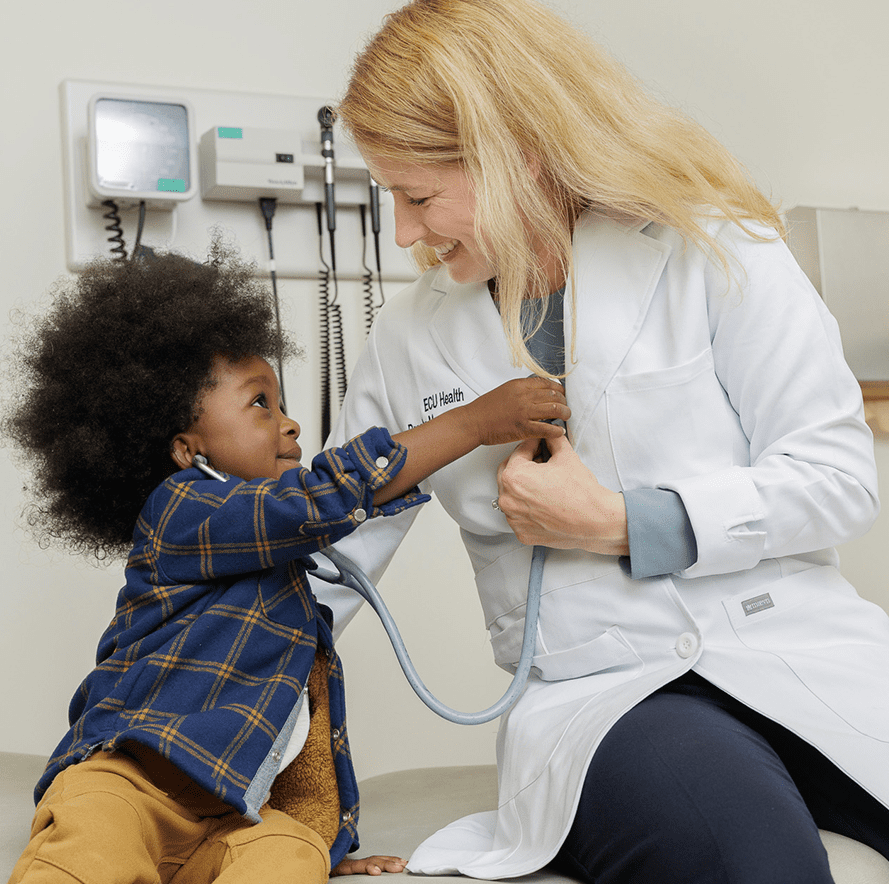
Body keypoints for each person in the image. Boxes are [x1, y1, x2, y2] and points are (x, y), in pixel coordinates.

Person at [311, 0, 889, 882]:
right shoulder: (407, 341)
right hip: (609, 697)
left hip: (795, 649)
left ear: (516, 155)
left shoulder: (717, 246)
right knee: (750, 861)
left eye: (418, 196)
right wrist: (191, 695)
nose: (403, 234)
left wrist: (620, 521)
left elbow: (835, 476)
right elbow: (330, 551)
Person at [2, 242, 568, 884]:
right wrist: (470, 423)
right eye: (260, 404)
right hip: (130, 782)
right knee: (93, 837)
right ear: (187, 449)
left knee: (287, 850)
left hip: (231, 815)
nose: (291, 423)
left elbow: (300, 735)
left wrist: (327, 843)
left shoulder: (292, 593)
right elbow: (313, 501)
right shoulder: (180, 512)